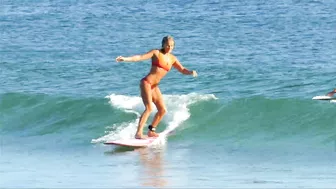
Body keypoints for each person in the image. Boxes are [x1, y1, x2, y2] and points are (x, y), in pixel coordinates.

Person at [115, 36, 198, 139]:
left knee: (162, 110)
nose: (169, 47)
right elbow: (140, 57)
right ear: (162, 44)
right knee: (149, 108)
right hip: (147, 83)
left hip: (154, 86)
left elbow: (182, 69)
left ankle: (151, 131)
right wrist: (125, 59)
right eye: (167, 45)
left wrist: (191, 72)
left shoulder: (172, 58)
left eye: (172, 45)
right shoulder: (156, 53)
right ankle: (139, 133)